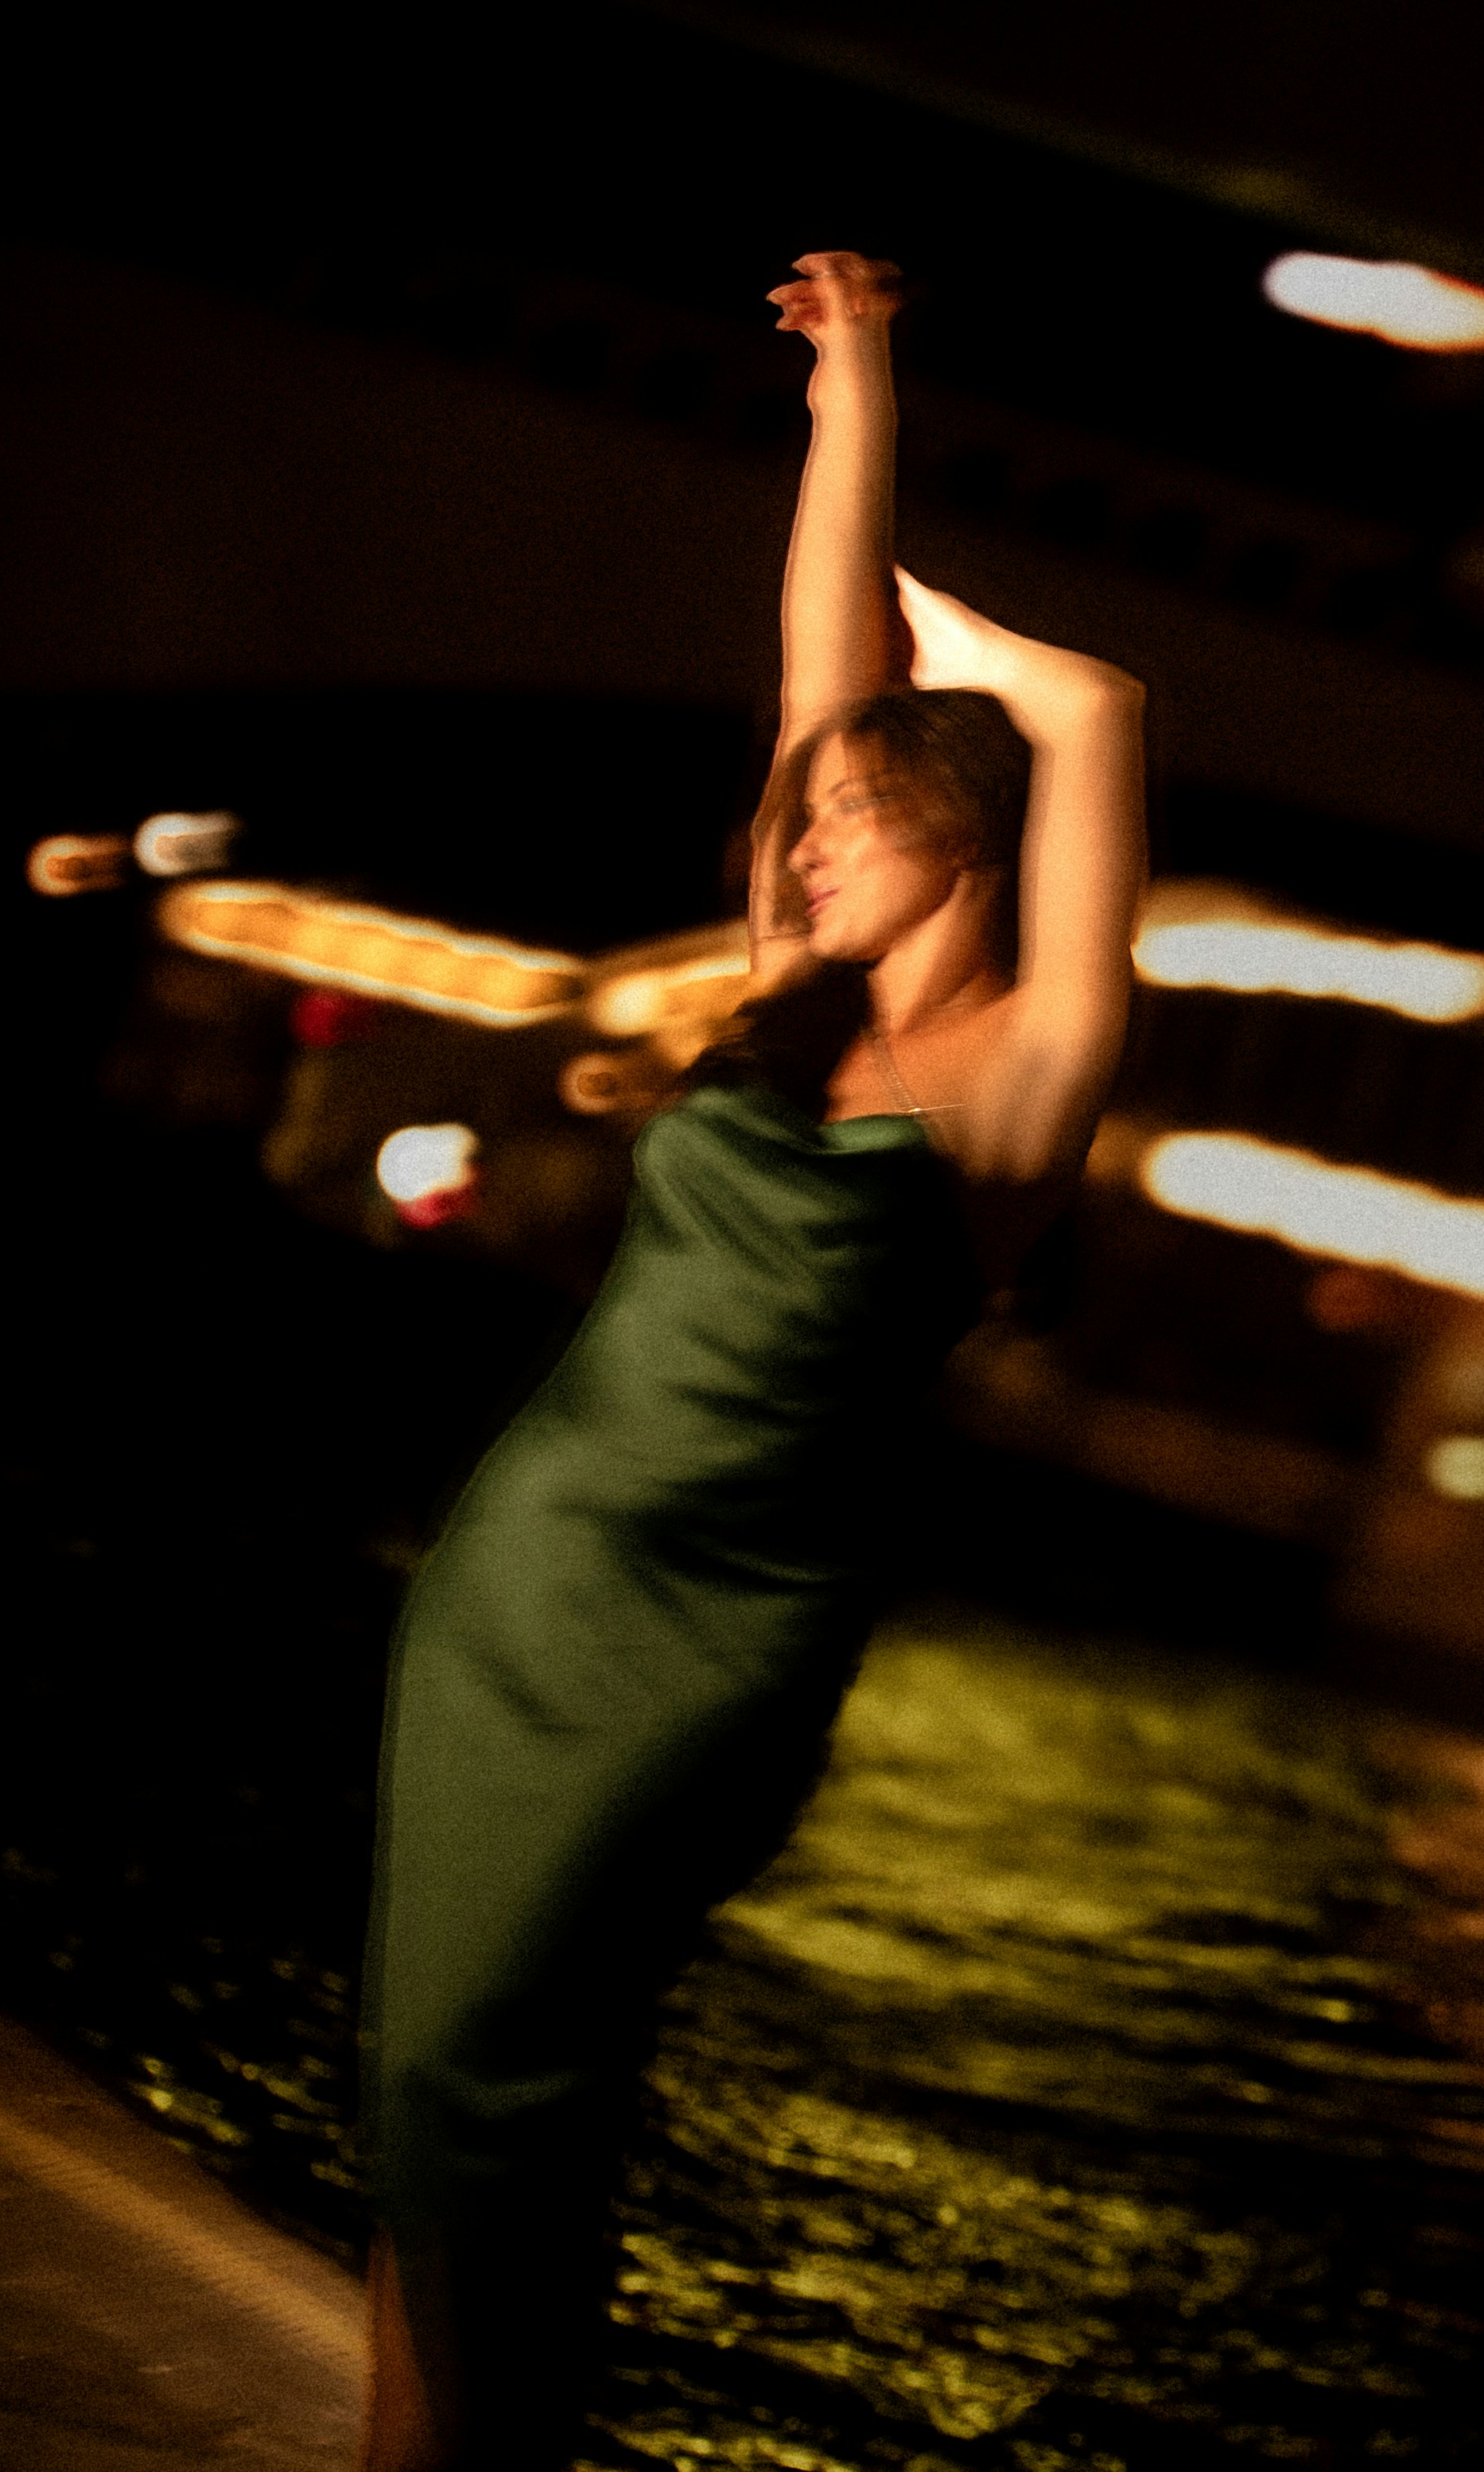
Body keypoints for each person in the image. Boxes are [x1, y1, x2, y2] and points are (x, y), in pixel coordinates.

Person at [357, 251, 1145, 2470]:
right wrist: (853, 374)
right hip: (533, 1559)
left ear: (967, 839)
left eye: (850, 816)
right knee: (431, 2046)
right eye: (798, 822)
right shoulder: (786, 982)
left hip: (719, 1627)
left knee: (527, 2037)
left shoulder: (1015, 1079)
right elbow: (818, 650)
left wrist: (1069, 706)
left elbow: (1078, 743)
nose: (801, 844)